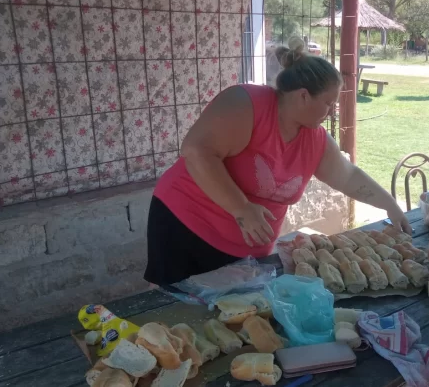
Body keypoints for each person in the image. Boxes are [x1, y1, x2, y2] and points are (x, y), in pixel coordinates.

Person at [144, 38, 411, 287]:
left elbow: (348, 176)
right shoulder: (246, 104)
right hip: (185, 227)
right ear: (304, 96)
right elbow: (196, 151)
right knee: (177, 317)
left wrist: (389, 204)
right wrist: (242, 209)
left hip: (245, 252)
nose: (333, 111)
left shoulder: (315, 138)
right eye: (328, 103)